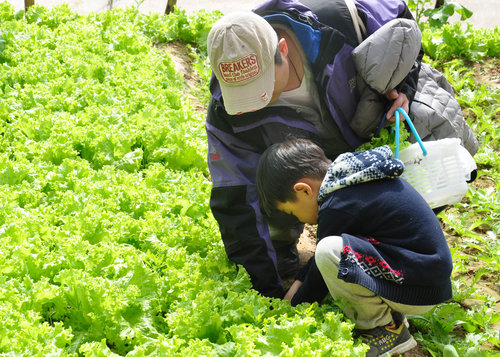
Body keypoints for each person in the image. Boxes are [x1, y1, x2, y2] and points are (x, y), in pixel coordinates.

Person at [205, 0, 476, 300]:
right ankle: (291, 254)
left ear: (282, 50)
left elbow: (402, 25)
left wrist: (405, 88)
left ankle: (389, 250)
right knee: (270, 189)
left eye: (261, 87)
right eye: (242, 95)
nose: (255, 103)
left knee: (433, 129)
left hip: (369, 122)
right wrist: (266, 292)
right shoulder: (224, 111)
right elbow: (234, 199)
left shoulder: (336, 17)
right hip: (306, 163)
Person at [256, 138, 453, 356]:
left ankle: (382, 329)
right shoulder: (351, 179)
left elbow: (321, 270)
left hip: (418, 288)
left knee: (329, 251)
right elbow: (317, 265)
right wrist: (295, 287)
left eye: (293, 212)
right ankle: (390, 317)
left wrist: (290, 313)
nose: (298, 220)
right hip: (425, 280)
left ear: (304, 190)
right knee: (333, 249)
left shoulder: (336, 206)